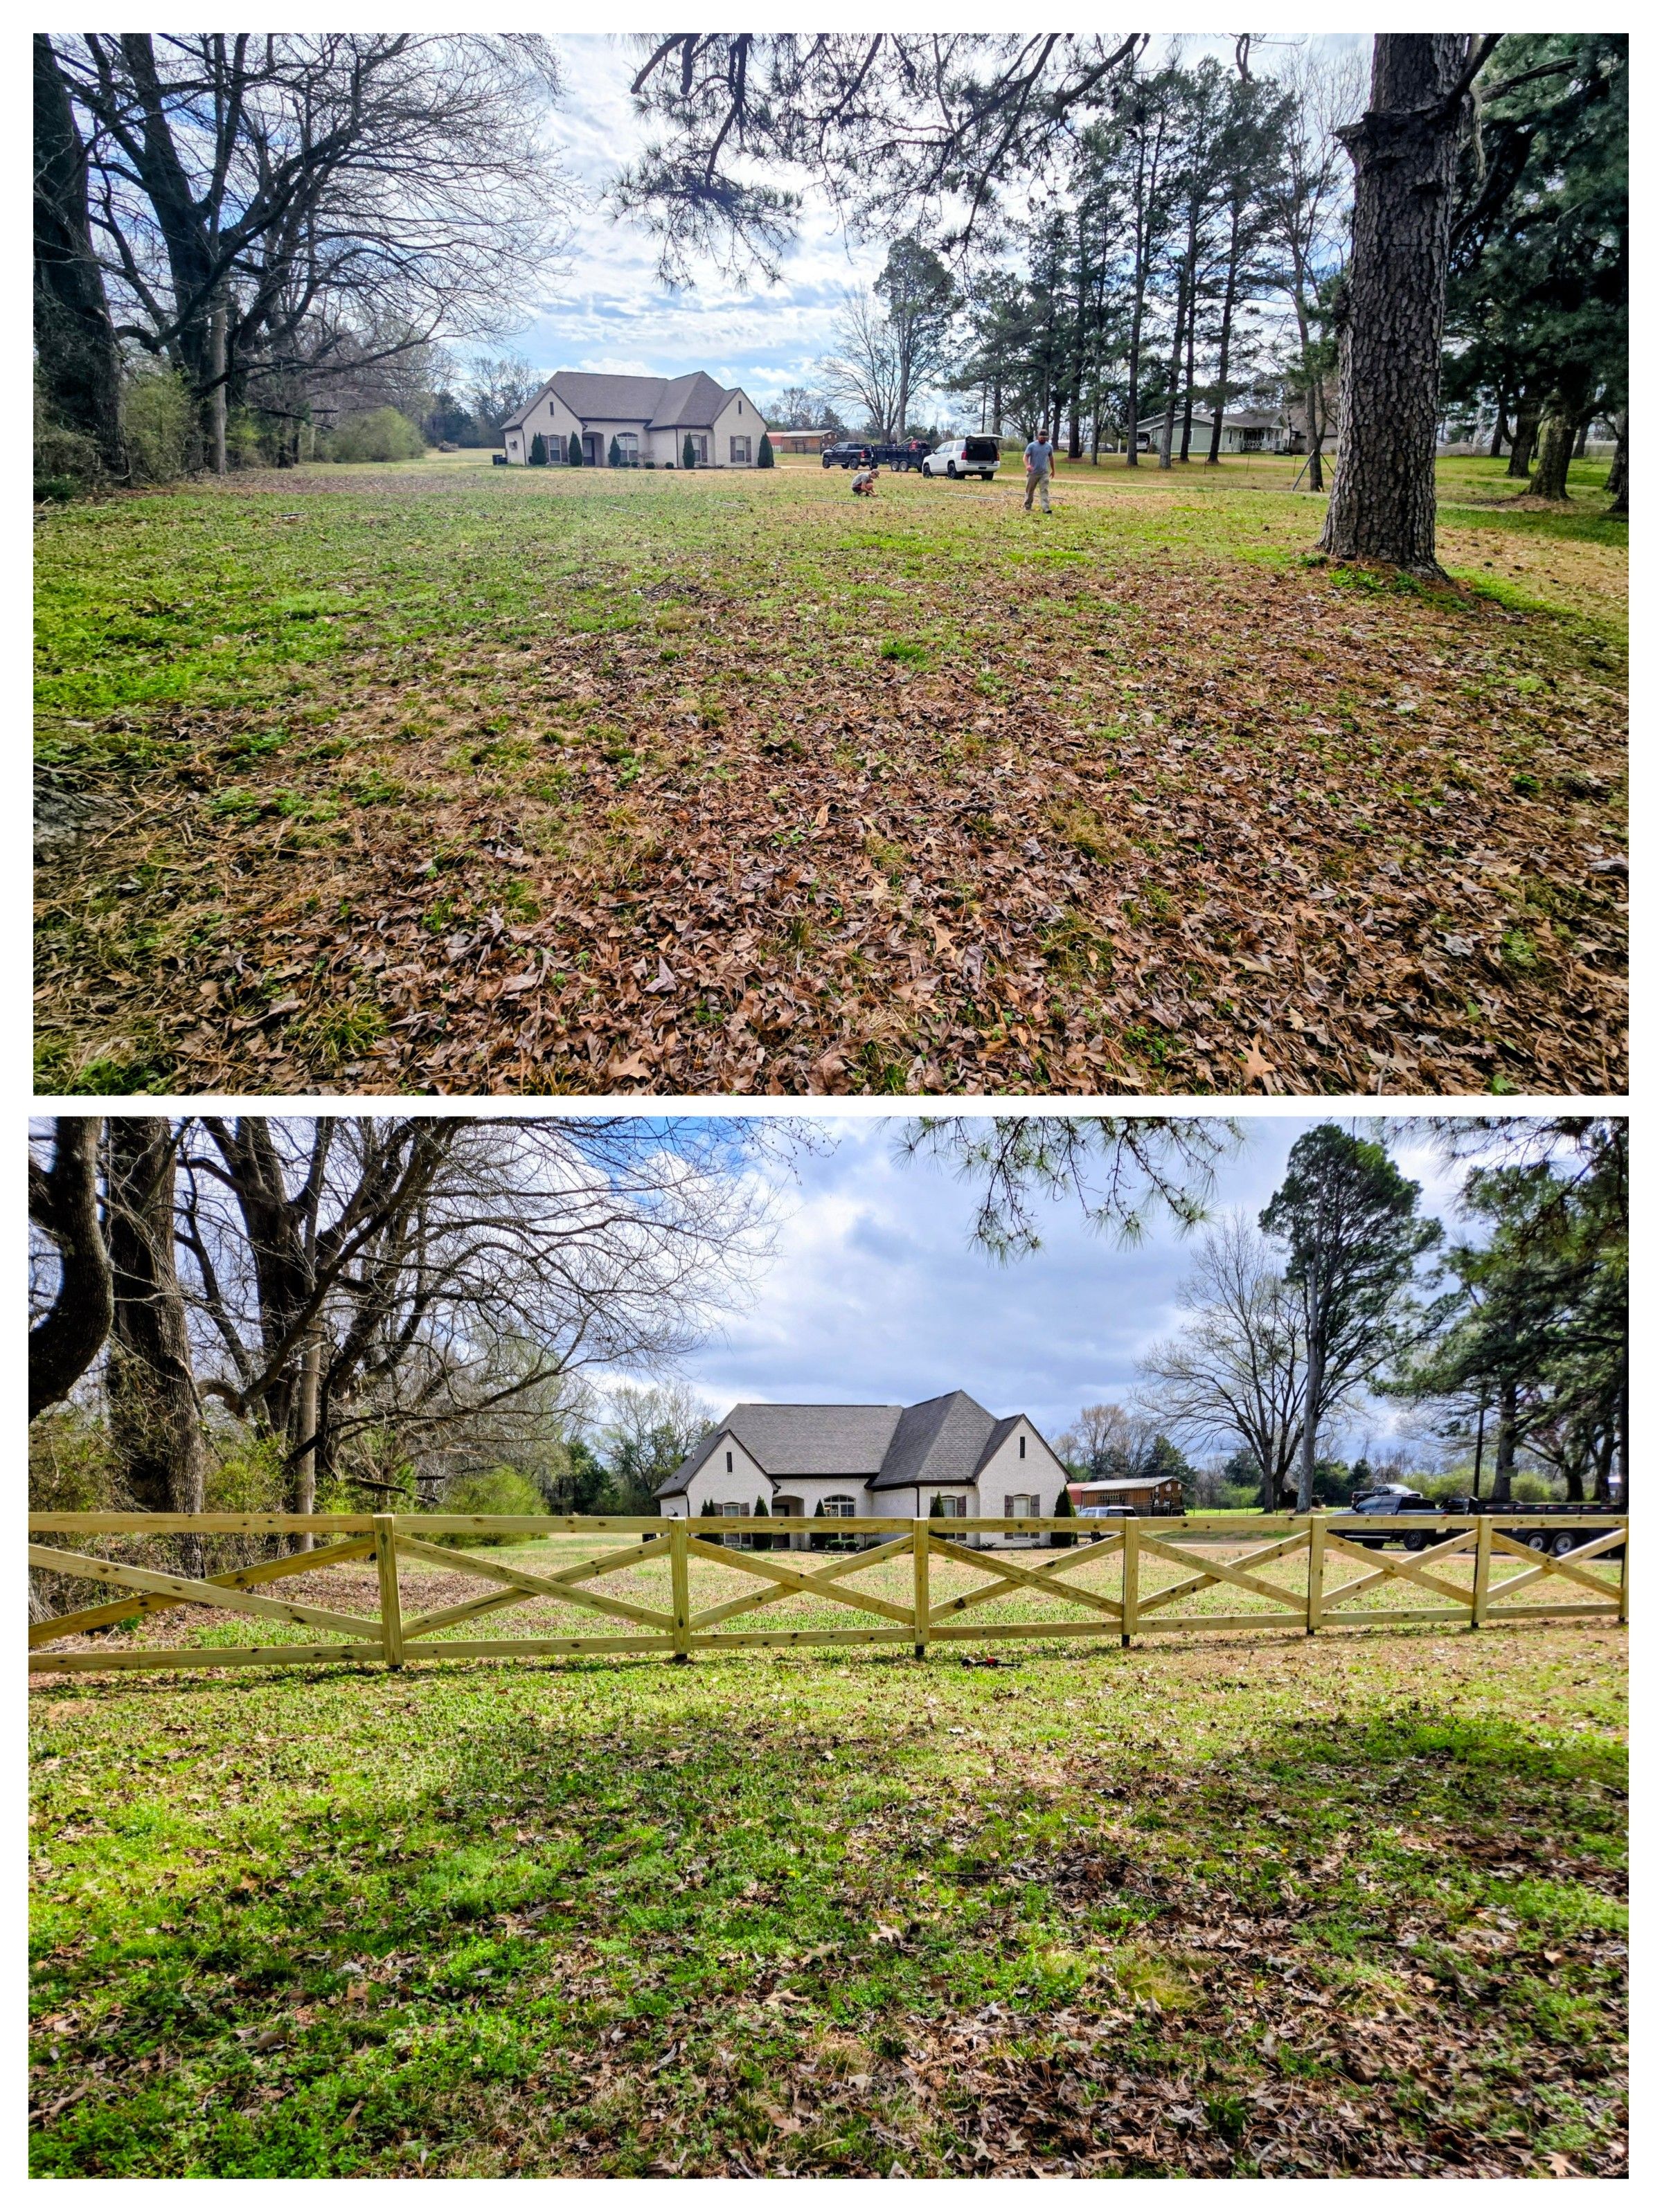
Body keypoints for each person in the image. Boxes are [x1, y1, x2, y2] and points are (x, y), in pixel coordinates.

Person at [1023, 429, 1054, 513]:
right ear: (1038, 437)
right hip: (1033, 473)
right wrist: (1027, 465)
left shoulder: (1049, 447)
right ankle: (1027, 506)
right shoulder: (1032, 446)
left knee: (1044, 490)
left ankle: (1046, 508)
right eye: (1041, 437)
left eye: (1045, 438)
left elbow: (1051, 459)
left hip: (1044, 473)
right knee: (1030, 490)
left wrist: (1053, 470)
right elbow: (1025, 457)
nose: (1043, 439)